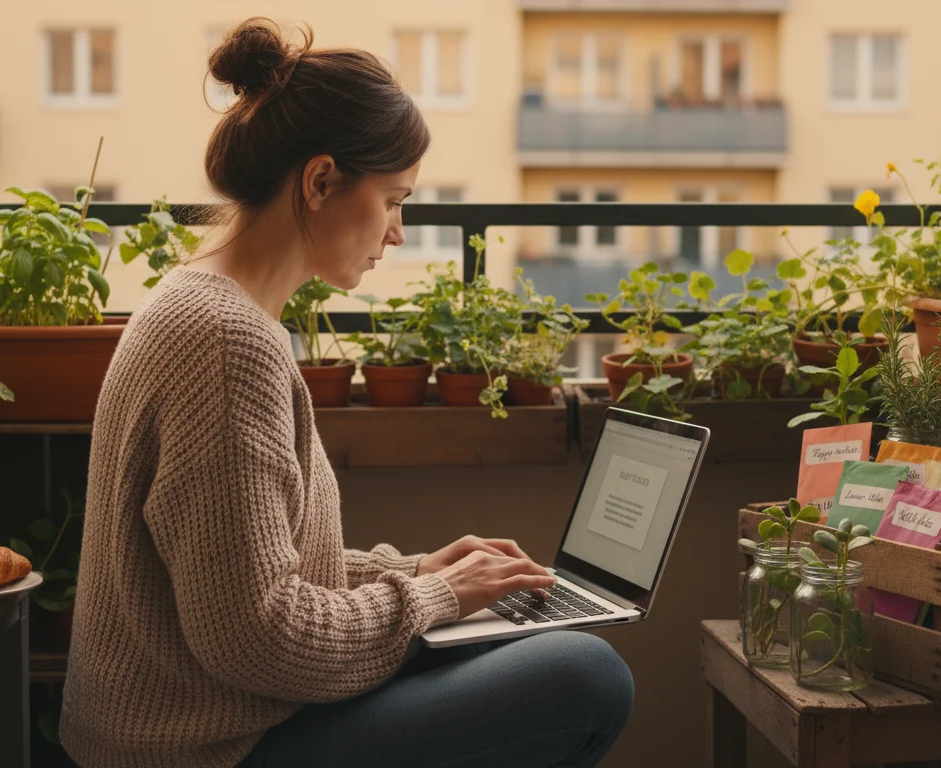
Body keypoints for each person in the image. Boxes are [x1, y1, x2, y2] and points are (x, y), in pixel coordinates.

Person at [59, 17, 634, 768]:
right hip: (203, 749)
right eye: (394, 200)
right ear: (321, 180)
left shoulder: (198, 303)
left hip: (209, 722)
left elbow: (248, 572)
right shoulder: (227, 344)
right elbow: (259, 639)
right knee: (587, 676)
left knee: (534, 639)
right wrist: (437, 599)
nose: (397, 232)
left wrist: (418, 572)